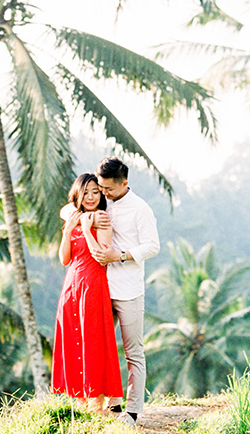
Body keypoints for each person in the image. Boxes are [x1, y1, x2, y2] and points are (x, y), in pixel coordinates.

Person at [85, 157, 160, 427]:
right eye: (100, 188)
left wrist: (121, 255)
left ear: (124, 183)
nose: (103, 193)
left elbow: (153, 246)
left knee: (133, 352)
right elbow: (73, 207)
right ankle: (111, 401)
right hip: (101, 287)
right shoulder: (104, 202)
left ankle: (133, 411)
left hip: (128, 290)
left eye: (108, 189)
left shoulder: (140, 209)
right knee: (101, 347)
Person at [51, 173, 123, 413]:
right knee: (74, 340)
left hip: (94, 286)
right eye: (86, 192)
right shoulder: (74, 218)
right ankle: (80, 399)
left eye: (96, 191)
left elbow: (100, 257)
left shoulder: (101, 219)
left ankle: (97, 400)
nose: (91, 197)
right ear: (78, 195)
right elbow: (64, 259)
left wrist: (86, 228)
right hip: (71, 286)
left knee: (93, 341)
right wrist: (68, 230)